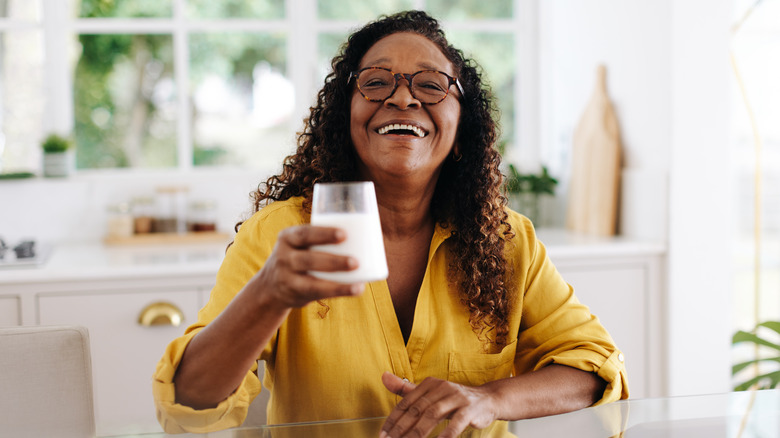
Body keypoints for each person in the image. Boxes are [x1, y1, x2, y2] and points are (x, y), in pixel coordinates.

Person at [153, 10, 629, 437]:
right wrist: (268, 294)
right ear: (347, 120)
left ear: (462, 127)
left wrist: (489, 398)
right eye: (377, 83)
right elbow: (187, 407)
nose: (402, 98)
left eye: (430, 85)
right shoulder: (280, 235)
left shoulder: (507, 241)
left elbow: (596, 369)